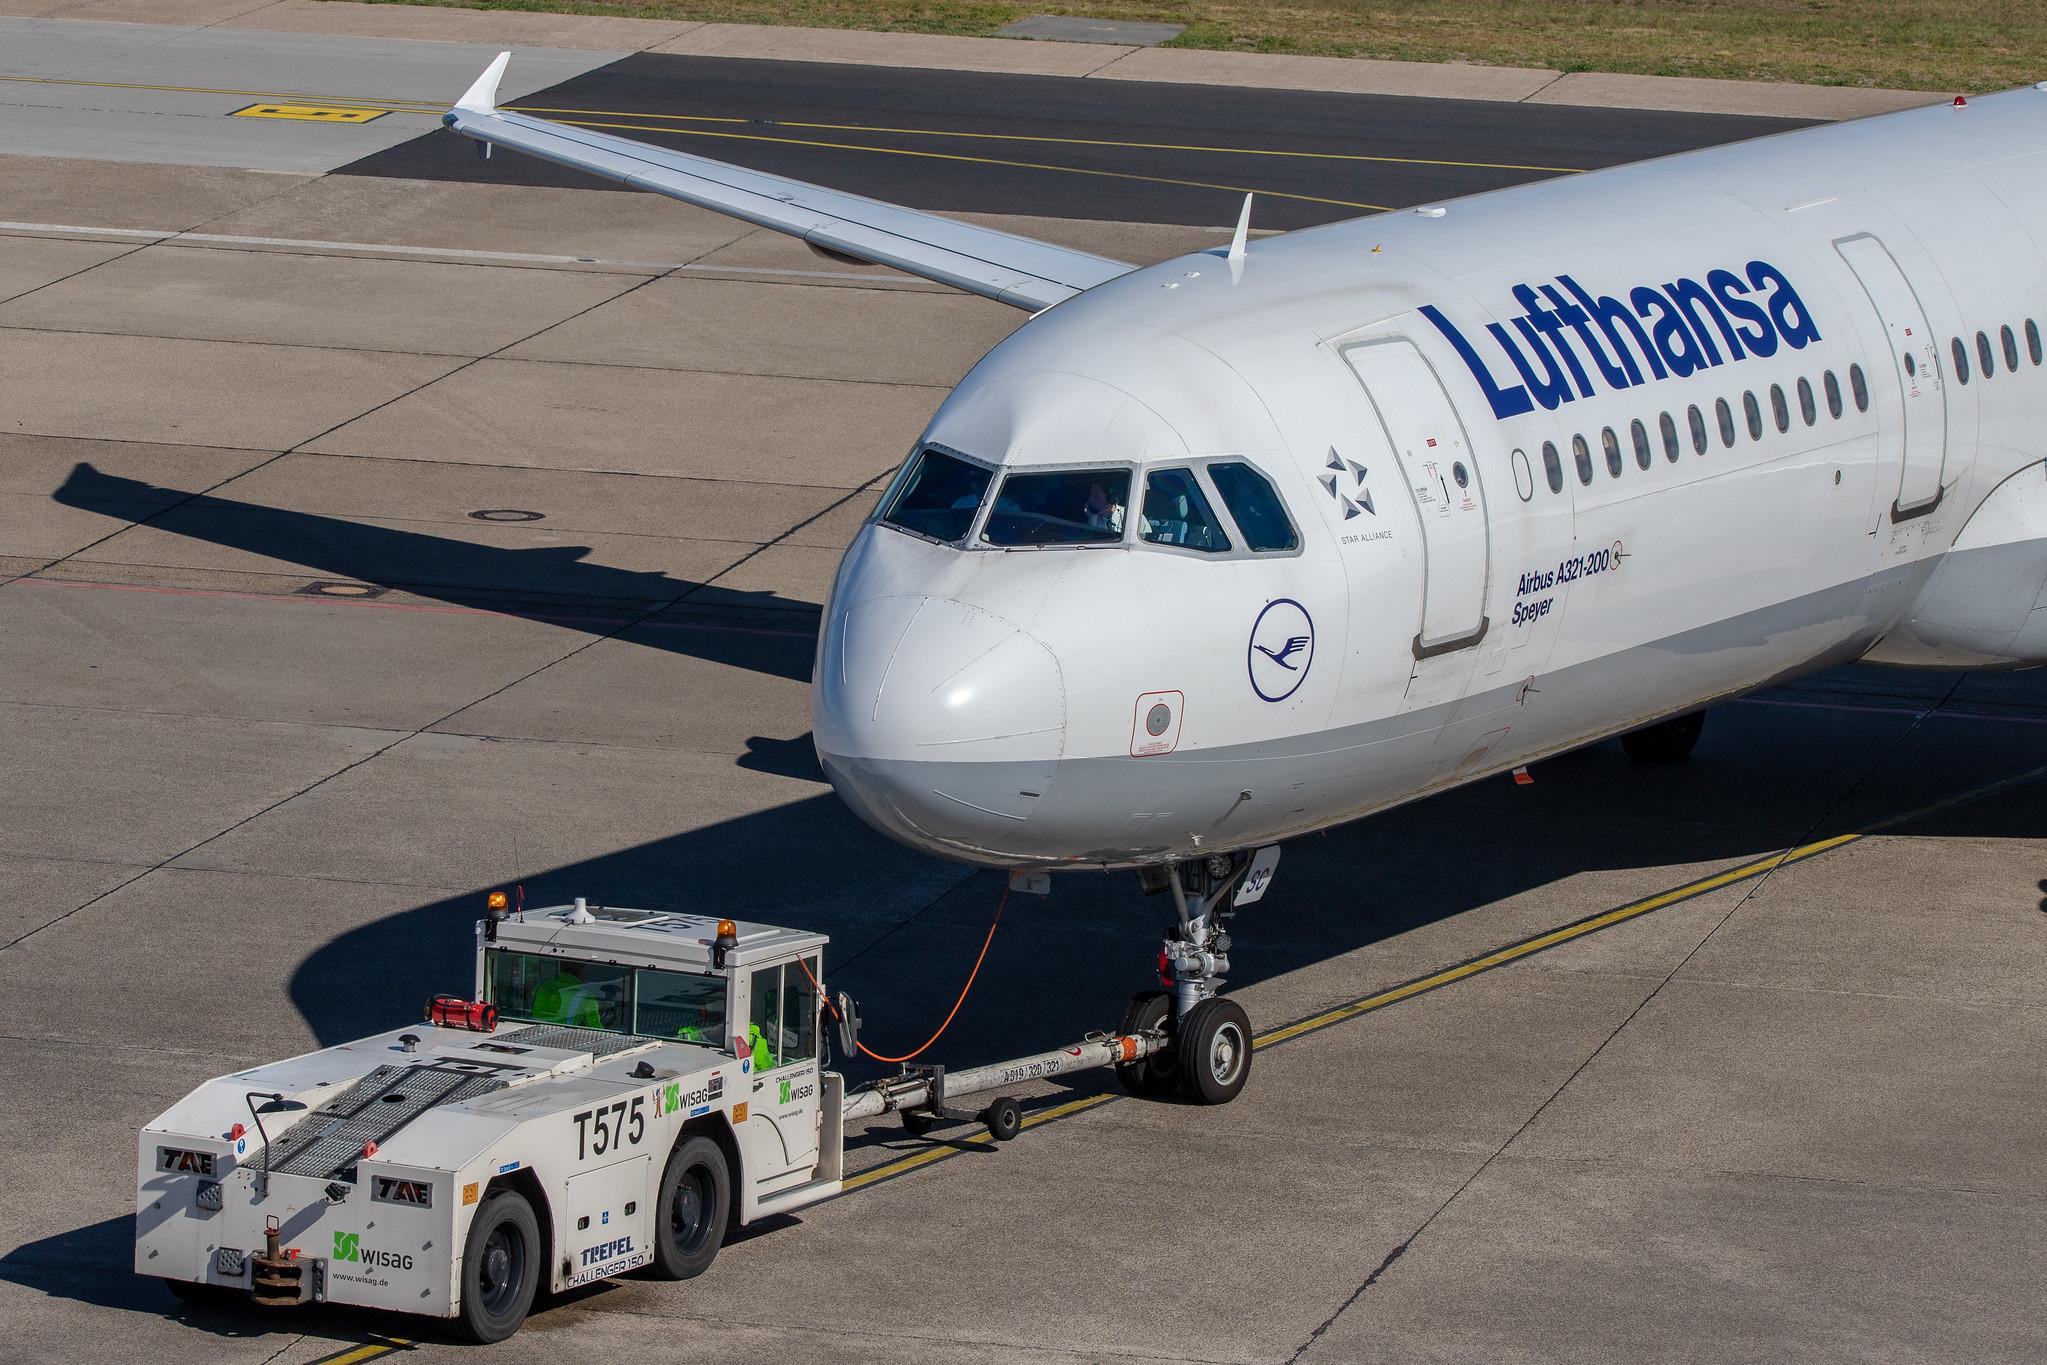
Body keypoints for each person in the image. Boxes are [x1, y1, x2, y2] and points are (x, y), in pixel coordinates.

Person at [533, 962, 604, 1028]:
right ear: (582, 970)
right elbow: (595, 1027)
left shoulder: (544, 985)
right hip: (564, 1037)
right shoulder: (586, 996)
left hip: (535, 1031)